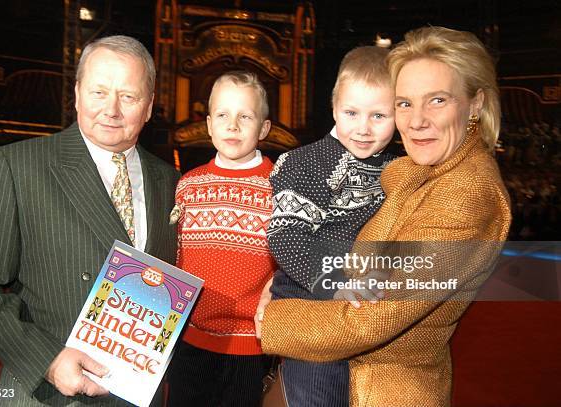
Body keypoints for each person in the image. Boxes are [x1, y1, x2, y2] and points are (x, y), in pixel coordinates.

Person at [256, 26, 512, 406]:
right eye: (406, 103)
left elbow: (368, 319)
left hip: (381, 386)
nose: (417, 120)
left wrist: (270, 320)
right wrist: (300, 277)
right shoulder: (413, 168)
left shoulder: (467, 192)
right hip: (336, 347)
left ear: (475, 103)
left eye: (437, 100)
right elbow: (291, 236)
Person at [0, 35, 179, 406]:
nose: (112, 110)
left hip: (137, 396)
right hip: (47, 394)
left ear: (149, 106)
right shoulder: (18, 166)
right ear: (76, 94)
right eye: (99, 92)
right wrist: (48, 360)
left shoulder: (171, 182)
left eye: (129, 97)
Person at [265, 46, 396, 406]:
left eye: (379, 115)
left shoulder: (397, 167)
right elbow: (286, 237)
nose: (363, 128)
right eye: (351, 112)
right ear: (334, 106)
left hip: (365, 313)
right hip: (313, 311)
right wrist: (335, 285)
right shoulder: (306, 163)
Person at [166, 71, 276, 407]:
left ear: (264, 128)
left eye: (245, 116)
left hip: (249, 345)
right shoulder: (188, 185)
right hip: (190, 339)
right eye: (223, 115)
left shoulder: (280, 186)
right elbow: (174, 256)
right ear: (209, 124)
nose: (233, 126)